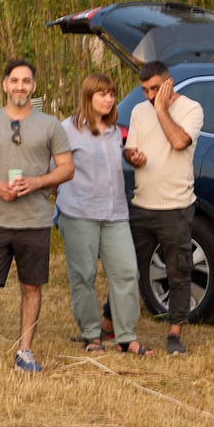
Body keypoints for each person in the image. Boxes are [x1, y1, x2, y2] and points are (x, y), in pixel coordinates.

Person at [0, 58, 74, 372]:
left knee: (31, 287)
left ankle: (25, 352)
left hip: (35, 220)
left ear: (34, 86)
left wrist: (38, 181)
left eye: (26, 81)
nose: (20, 87)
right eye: (15, 81)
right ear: (5, 85)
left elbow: (68, 168)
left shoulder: (50, 125)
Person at [56, 74, 143, 356]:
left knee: (127, 271)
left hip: (116, 212)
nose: (108, 99)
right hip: (78, 212)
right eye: (102, 94)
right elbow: (53, 170)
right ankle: (92, 334)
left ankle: (125, 335)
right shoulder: (67, 130)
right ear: (88, 96)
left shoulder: (117, 131)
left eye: (112, 94)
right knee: (84, 275)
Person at [125, 61, 206, 356]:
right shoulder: (137, 111)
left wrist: (160, 108)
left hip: (175, 206)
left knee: (178, 270)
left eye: (155, 89)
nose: (148, 96)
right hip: (141, 203)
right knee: (126, 268)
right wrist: (131, 156)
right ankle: (111, 324)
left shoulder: (191, 109)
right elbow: (130, 146)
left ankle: (174, 334)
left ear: (169, 83)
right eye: (144, 90)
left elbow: (179, 141)